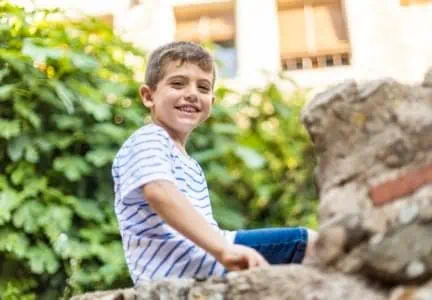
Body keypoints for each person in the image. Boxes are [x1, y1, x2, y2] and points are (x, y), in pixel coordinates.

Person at [112, 41, 318, 286]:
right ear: (148, 96)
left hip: (205, 258)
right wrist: (223, 250)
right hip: (183, 269)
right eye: (178, 83)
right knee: (312, 244)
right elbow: (159, 191)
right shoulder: (149, 137)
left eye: (203, 87)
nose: (191, 93)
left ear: (211, 100)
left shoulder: (190, 164)